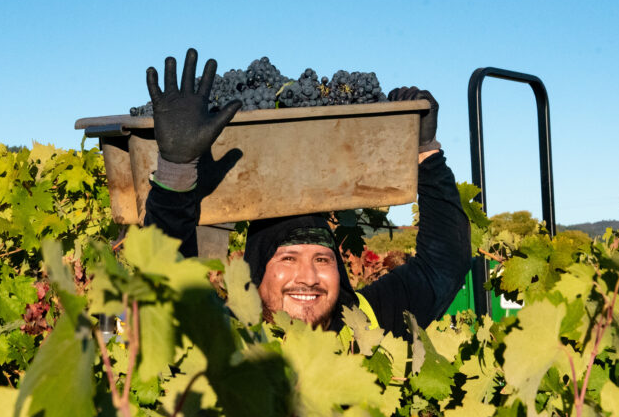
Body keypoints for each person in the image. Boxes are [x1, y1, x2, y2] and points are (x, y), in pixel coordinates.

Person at [143, 49, 471, 339]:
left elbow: (444, 265)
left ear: (339, 270)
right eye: (288, 258)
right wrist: (177, 168)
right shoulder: (225, 337)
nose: (309, 277)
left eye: (322, 259)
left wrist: (426, 154)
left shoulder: (370, 321)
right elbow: (167, 284)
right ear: (256, 274)